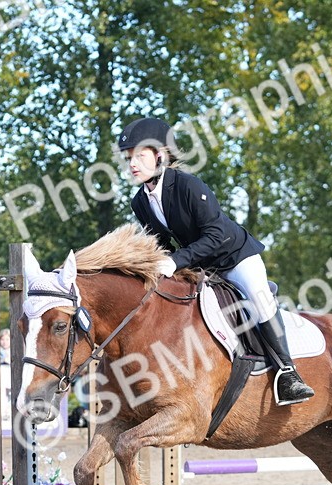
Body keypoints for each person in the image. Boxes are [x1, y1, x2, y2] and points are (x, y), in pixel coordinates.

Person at [117, 117, 314, 406]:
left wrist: (175, 261)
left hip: (235, 257)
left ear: (160, 155)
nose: (132, 164)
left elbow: (217, 235)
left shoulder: (187, 185)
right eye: (128, 158)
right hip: (202, 268)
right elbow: (158, 242)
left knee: (260, 300)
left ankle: (289, 373)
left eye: (139, 156)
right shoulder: (140, 201)